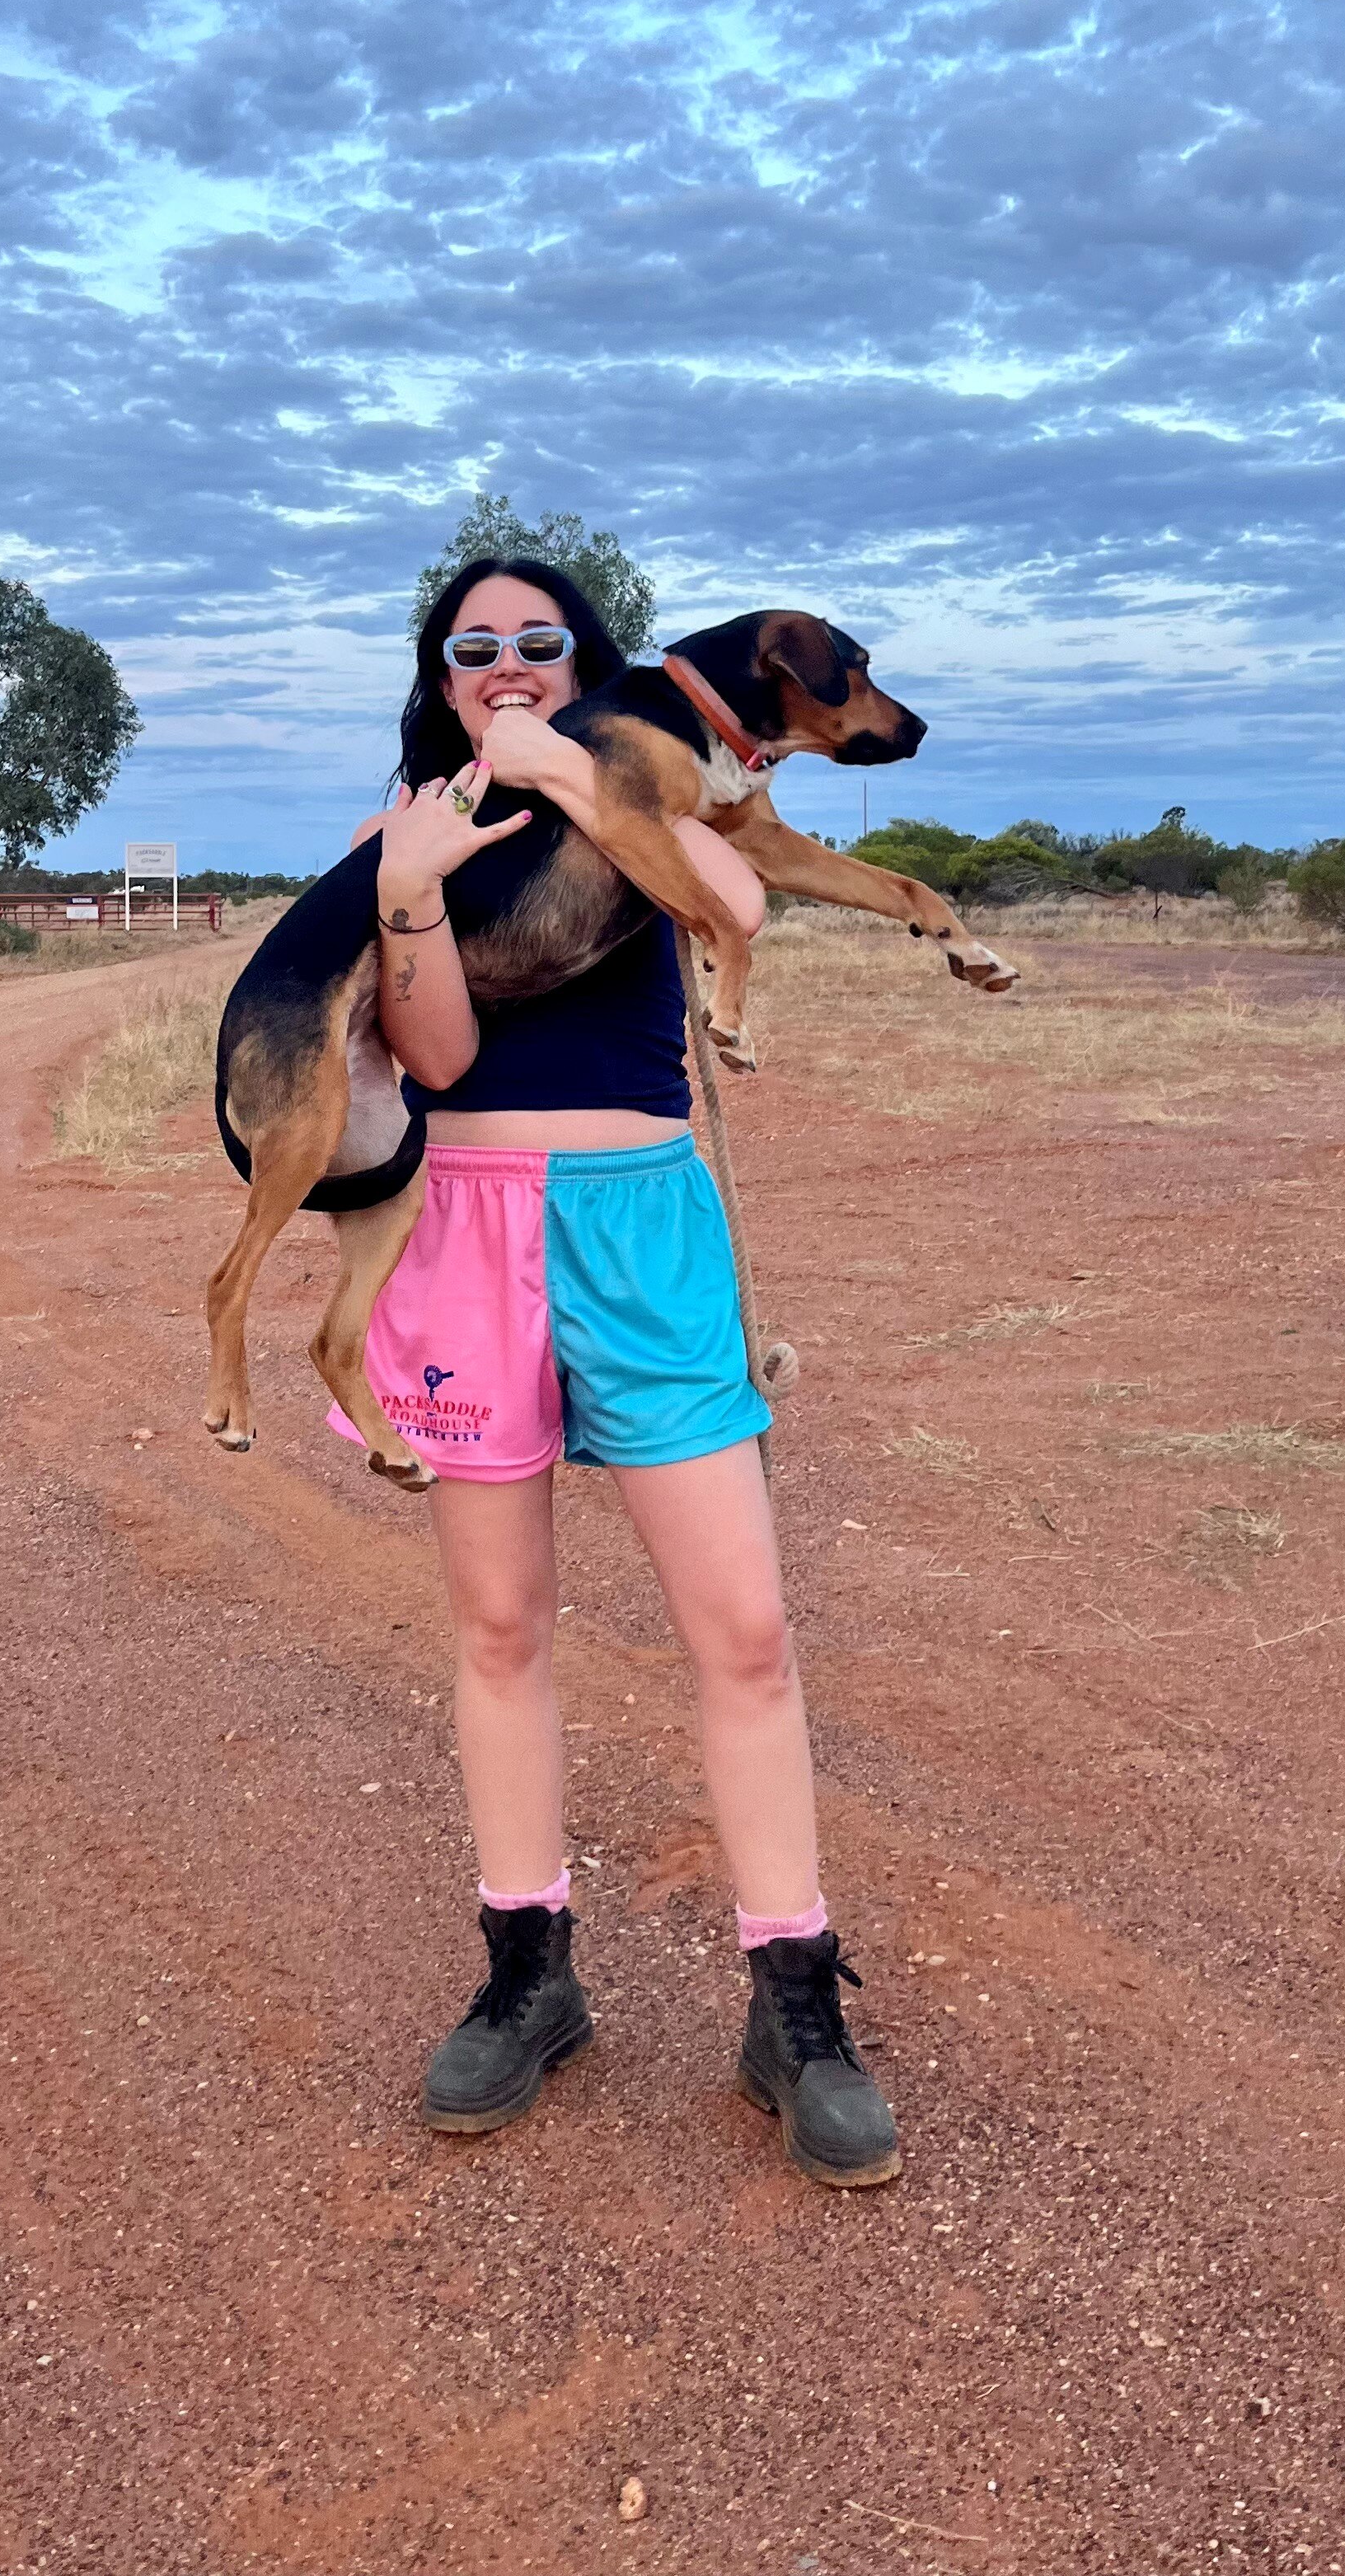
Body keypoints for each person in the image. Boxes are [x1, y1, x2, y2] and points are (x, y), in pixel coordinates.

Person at [337, 554, 900, 2189]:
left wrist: (562, 765)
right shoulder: (405, 822)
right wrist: (410, 883)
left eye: (539, 641)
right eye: (474, 649)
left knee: (747, 1630)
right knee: (501, 1629)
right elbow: (436, 1053)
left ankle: (794, 2003)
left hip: (641, 1222)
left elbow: (734, 907)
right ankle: (530, 1975)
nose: (505, 663)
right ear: (440, 678)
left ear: (589, 663)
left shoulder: (655, 781)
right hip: (461, 1232)